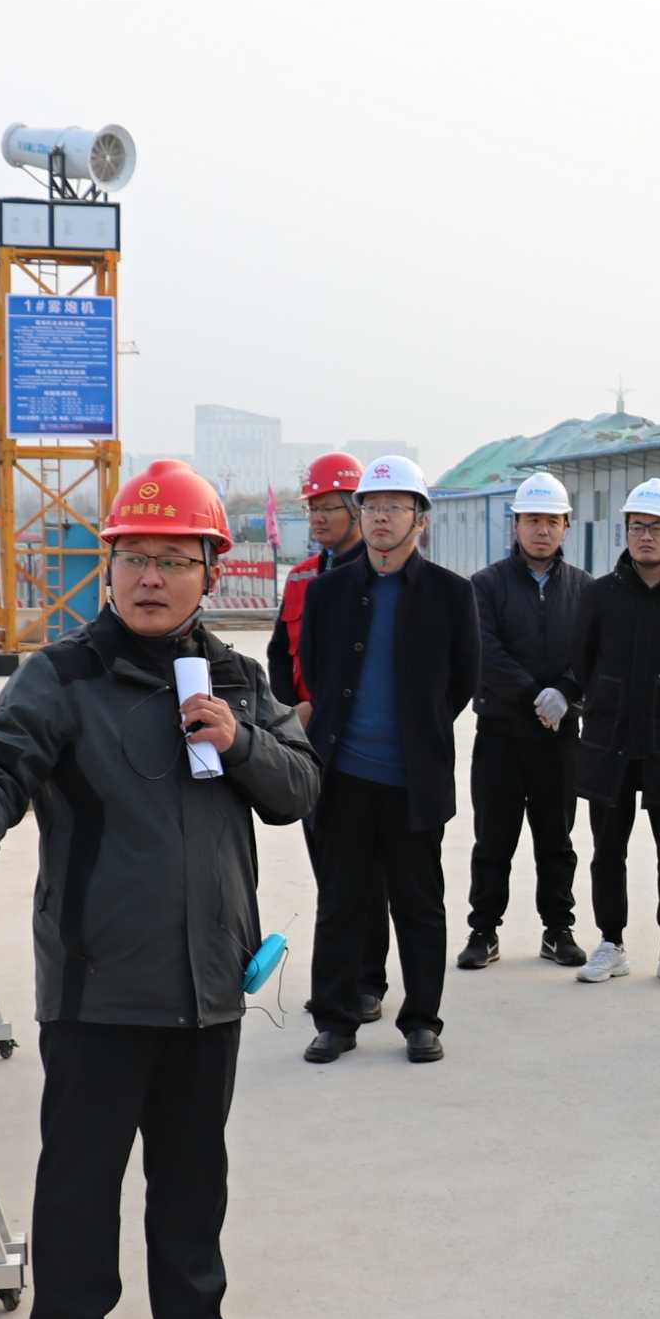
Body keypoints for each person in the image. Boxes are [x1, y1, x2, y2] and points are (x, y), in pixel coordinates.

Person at [0, 458, 315, 1319]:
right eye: (134, 558)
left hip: (209, 981)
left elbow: (299, 789)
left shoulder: (233, 679)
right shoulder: (63, 676)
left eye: (174, 560)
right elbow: (0, 764)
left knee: (194, 1175)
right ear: (109, 568)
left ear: (210, 572)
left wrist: (240, 742)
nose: (151, 578)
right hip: (98, 985)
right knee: (81, 1186)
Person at [295, 456, 479, 1063]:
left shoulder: (451, 595)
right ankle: (335, 1019)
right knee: (340, 903)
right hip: (343, 776)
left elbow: (463, 681)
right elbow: (316, 670)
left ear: (420, 520)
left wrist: (418, 730)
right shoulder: (327, 593)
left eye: (394, 507)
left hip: (413, 780)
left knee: (419, 905)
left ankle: (422, 1020)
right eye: (371, 506)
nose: (379, 517)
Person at [567, 476, 660, 988]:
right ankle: (610, 942)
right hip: (609, 741)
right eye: (637, 527)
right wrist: (607, 699)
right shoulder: (600, 596)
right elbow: (582, 661)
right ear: (626, 532)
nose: (646, 536)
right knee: (607, 851)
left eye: (657, 527)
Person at [264, 451, 377, 1024]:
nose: (317, 517)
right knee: (329, 869)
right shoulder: (302, 575)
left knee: (364, 872)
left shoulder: (379, 576)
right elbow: (279, 654)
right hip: (308, 741)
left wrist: (324, 711)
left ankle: (366, 980)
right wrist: (289, 712)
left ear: (356, 509)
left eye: (328, 507)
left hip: (359, 742)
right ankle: (341, 977)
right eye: (312, 508)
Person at [460, 470, 587, 973]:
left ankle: (558, 930)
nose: (542, 530)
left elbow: (592, 654)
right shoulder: (486, 586)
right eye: (532, 519)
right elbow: (485, 651)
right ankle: (483, 931)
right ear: (516, 525)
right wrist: (537, 694)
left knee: (557, 839)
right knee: (494, 838)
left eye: (551, 521)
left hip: (560, 739)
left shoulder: (584, 589)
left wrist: (568, 692)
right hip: (501, 734)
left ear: (566, 525)